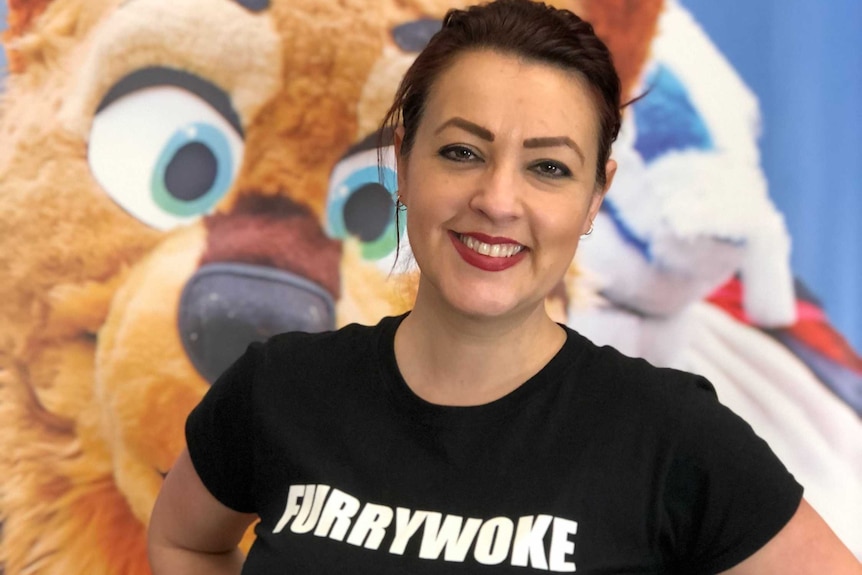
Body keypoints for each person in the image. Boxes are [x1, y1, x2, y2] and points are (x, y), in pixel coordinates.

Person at [147, 0, 862, 573]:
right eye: (462, 151)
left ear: (593, 196)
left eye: (548, 167)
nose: (496, 199)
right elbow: (184, 541)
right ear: (404, 160)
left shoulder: (666, 433)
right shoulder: (279, 389)